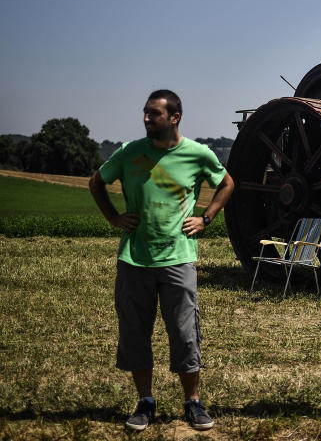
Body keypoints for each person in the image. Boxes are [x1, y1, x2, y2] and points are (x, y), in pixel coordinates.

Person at [88, 90, 235, 431]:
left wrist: (206, 218)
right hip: (135, 259)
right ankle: (145, 402)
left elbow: (227, 183)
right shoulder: (129, 153)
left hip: (178, 259)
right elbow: (97, 181)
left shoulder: (197, 154)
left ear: (174, 118)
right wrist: (113, 217)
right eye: (145, 112)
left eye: (153, 113)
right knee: (136, 333)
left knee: (185, 334)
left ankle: (193, 402)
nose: (145, 119)